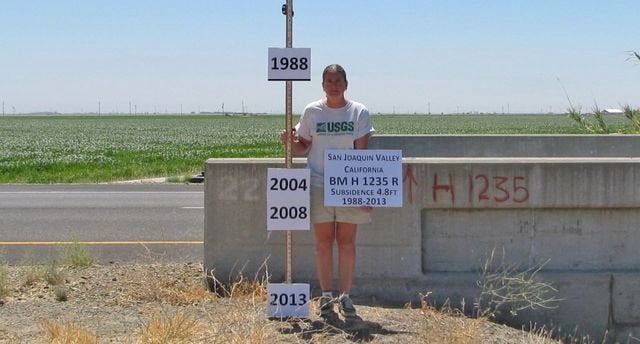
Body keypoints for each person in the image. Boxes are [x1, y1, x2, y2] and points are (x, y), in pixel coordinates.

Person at [280, 64, 374, 318]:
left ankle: (345, 295)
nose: (334, 85)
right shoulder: (312, 111)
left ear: (346, 83)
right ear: (323, 85)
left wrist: (365, 192)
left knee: (346, 243)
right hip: (319, 184)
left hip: (347, 187)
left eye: (338, 80)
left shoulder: (358, 112)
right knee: (322, 244)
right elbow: (303, 148)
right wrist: (289, 143)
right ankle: (326, 295)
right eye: (329, 81)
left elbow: (361, 156)